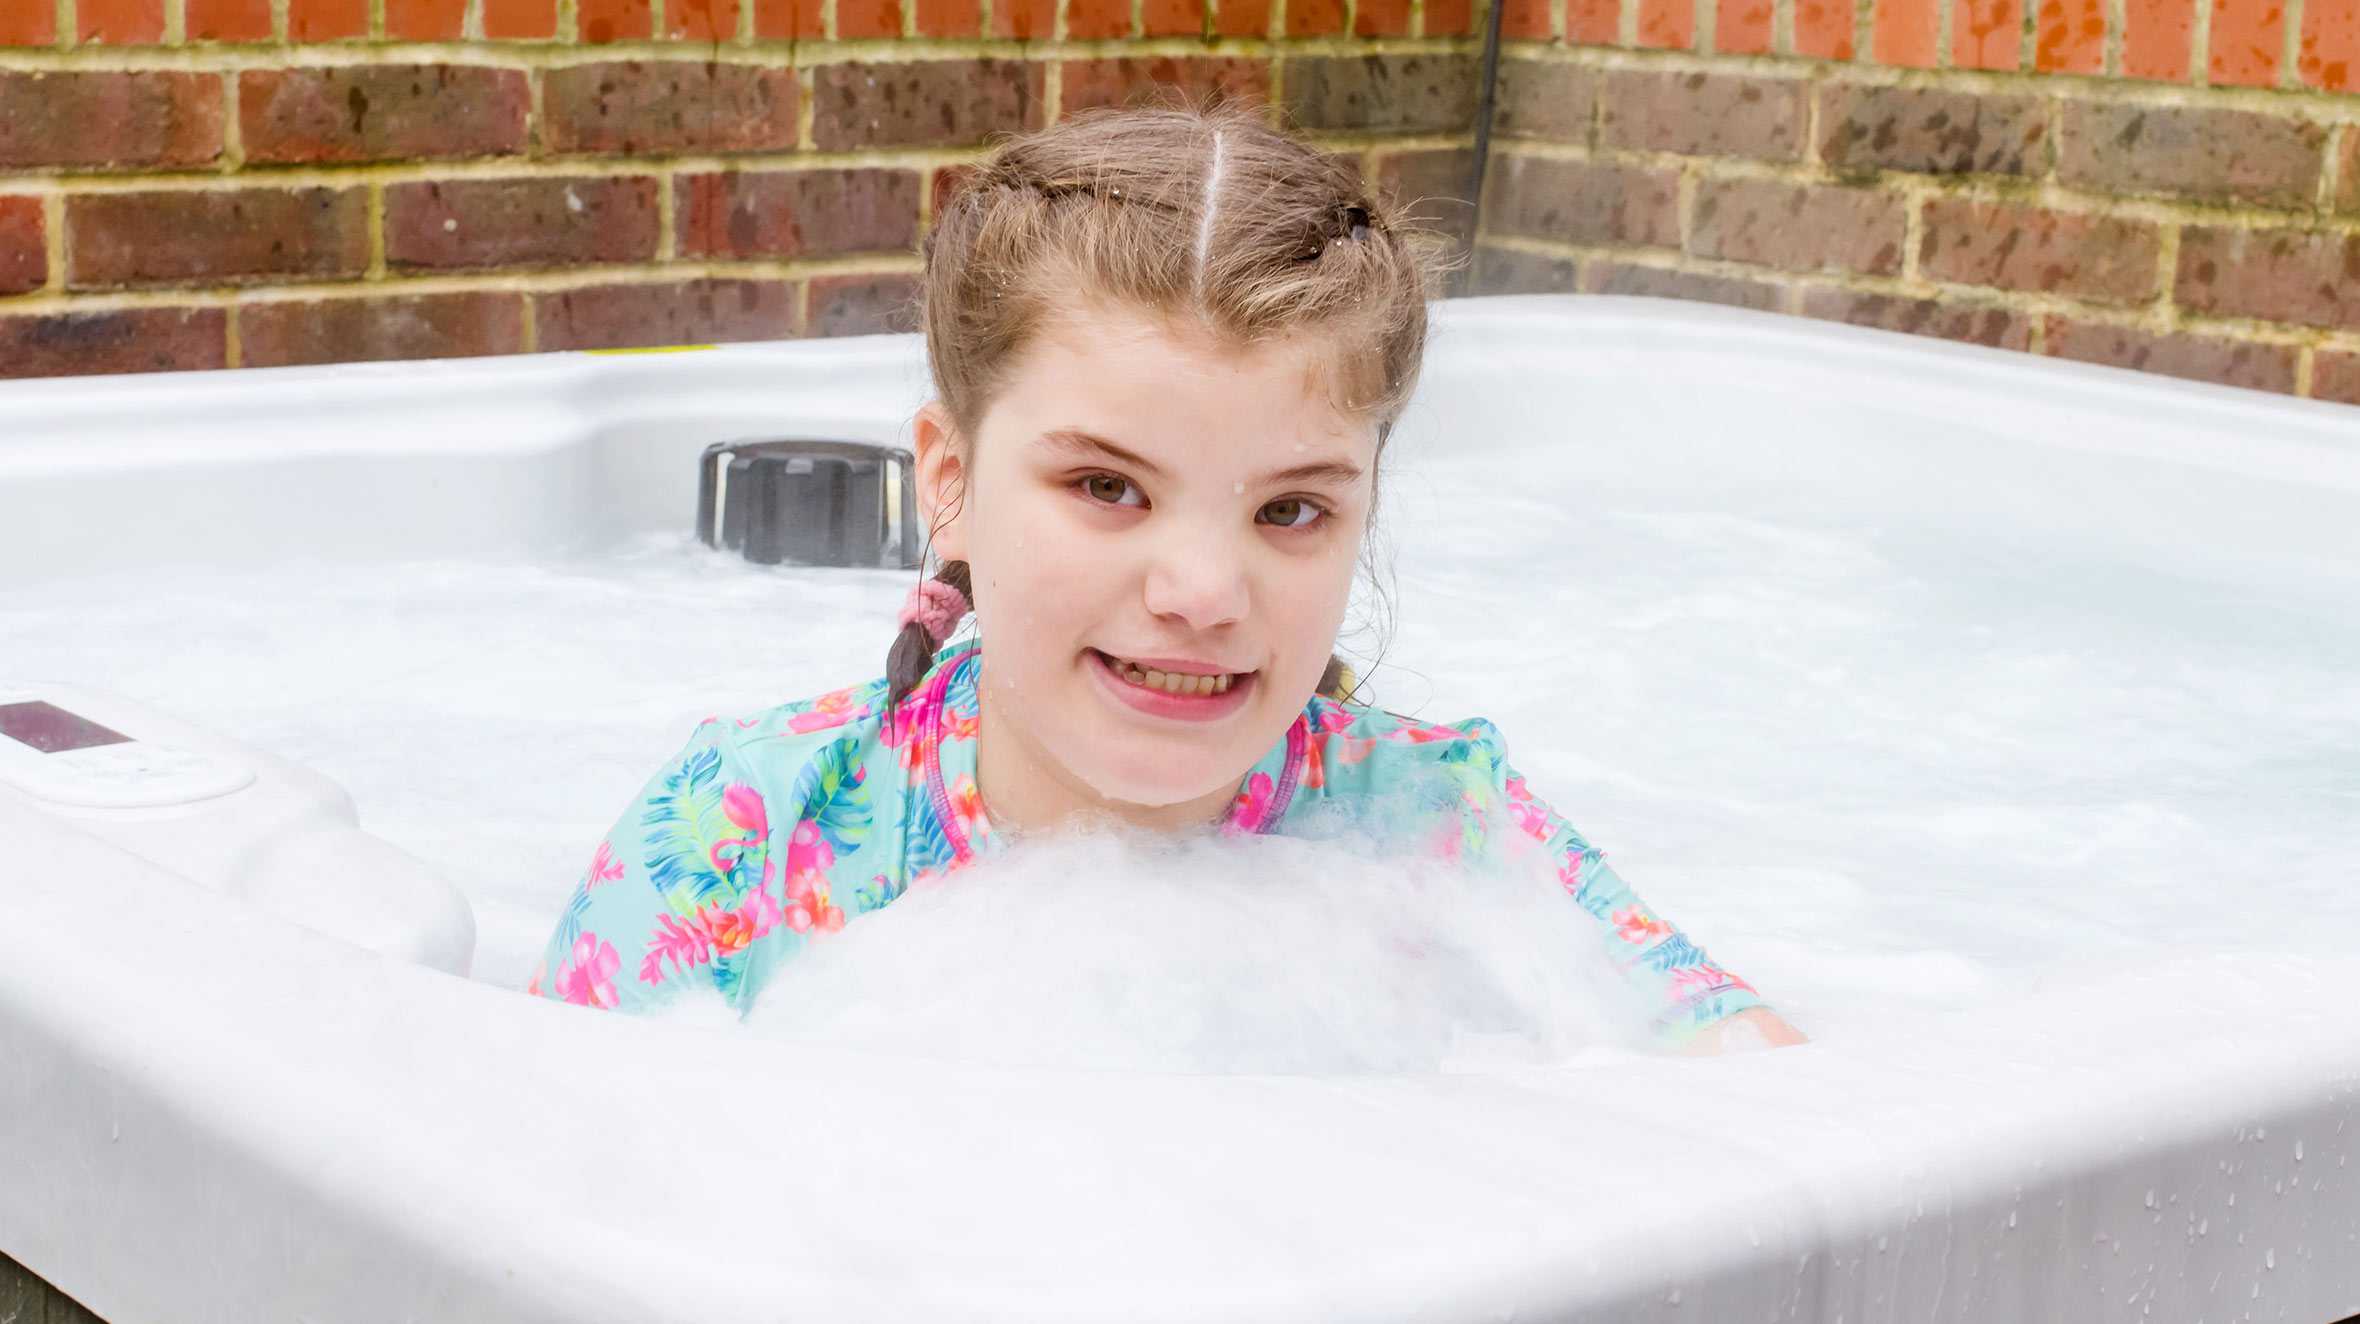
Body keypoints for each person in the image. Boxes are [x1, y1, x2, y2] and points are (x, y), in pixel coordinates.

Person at [526, 102, 1805, 1055]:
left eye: (1289, 509)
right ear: (951, 477)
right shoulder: (738, 836)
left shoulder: (1443, 836)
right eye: (1106, 489)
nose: (1202, 588)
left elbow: (1767, 1115)